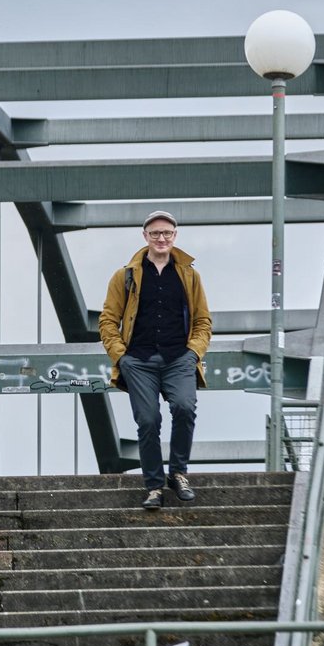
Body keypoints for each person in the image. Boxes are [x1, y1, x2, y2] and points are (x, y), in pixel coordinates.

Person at [98, 211, 213, 510]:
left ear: (175, 236)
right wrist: (120, 356)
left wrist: (193, 353)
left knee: (185, 408)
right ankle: (154, 487)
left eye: (167, 233)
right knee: (148, 421)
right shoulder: (124, 276)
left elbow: (203, 321)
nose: (161, 239)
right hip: (139, 361)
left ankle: (178, 473)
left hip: (179, 359)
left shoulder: (190, 275)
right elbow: (108, 320)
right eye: (155, 234)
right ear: (145, 236)